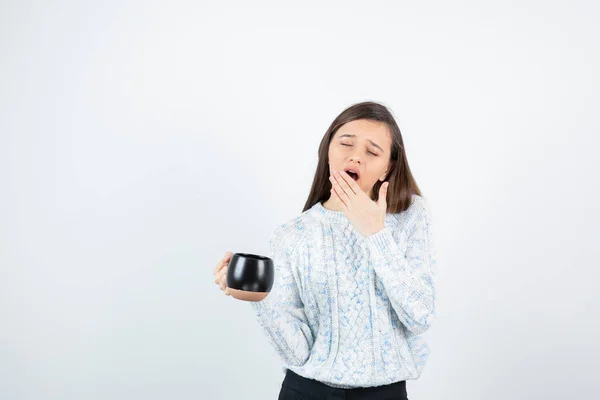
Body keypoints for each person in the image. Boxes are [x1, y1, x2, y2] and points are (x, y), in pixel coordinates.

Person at [213, 101, 437, 399]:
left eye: (372, 151)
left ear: (388, 167)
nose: (356, 156)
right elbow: (298, 354)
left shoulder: (410, 215)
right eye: (345, 143)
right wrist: (261, 301)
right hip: (305, 391)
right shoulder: (291, 235)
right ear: (328, 151)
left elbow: (420, 317)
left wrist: (375, 233)